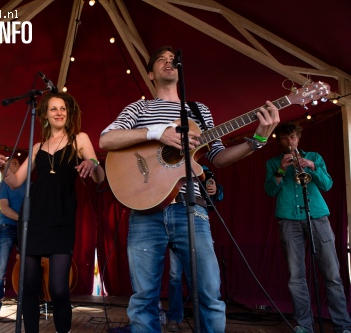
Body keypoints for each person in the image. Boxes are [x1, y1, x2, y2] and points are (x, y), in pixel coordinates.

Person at [99, 45, 279, 333]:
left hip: (191, 210)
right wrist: (158, 133)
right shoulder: (140, 108)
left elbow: (217, 156)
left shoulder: (198, 111)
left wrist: (257, 140)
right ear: (150, 73)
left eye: (173, 60)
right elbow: (107, 139)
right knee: (143, 298)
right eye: (162, 60)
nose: (169, 63)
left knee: (209, 294)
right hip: (145, 210)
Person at [0, 92, 105, 333]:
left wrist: (92, 164)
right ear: (45, 114)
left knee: (59, 288)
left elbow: (99, 177)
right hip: (32, 218)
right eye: (53, 109)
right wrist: (3, 167)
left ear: (68, 112)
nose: (59, 112)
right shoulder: (37, 147)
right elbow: (15, 182)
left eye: (62, 108)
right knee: (30, 286)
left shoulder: (80, 139)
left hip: (62, 218)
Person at [264, 122, 351, 333]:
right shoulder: (273, 162)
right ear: (280, 141)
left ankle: (343, 326)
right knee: (296, 277)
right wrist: (281, 169)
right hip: (288, 218)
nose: (290, 141)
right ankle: (304, 325)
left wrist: (311, 166)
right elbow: (269, 190)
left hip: (317, 216)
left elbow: (327, 185)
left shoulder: (315, 157)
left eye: (293, 137)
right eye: (285, 138)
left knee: (332, 274)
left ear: (298, 138)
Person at [166, 166, 223, 332]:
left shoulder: (204, 169)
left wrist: (215, 189)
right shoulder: (167, 161)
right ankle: (174, 317)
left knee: (202, 277)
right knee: (174, 275)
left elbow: (218, 195)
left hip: (195, 216)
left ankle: (201, 321)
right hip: (171, 211)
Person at [0, 156, 26, 320]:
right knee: (0, 269)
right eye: (14, 163)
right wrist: (23, 219)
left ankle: (29, 306)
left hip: (25, 229)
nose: (18, 164)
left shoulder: (29, 185)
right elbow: (4, 209)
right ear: (8, 168)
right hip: (8, 228)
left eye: (19, 163)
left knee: (30, 267)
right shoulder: (3, 185)